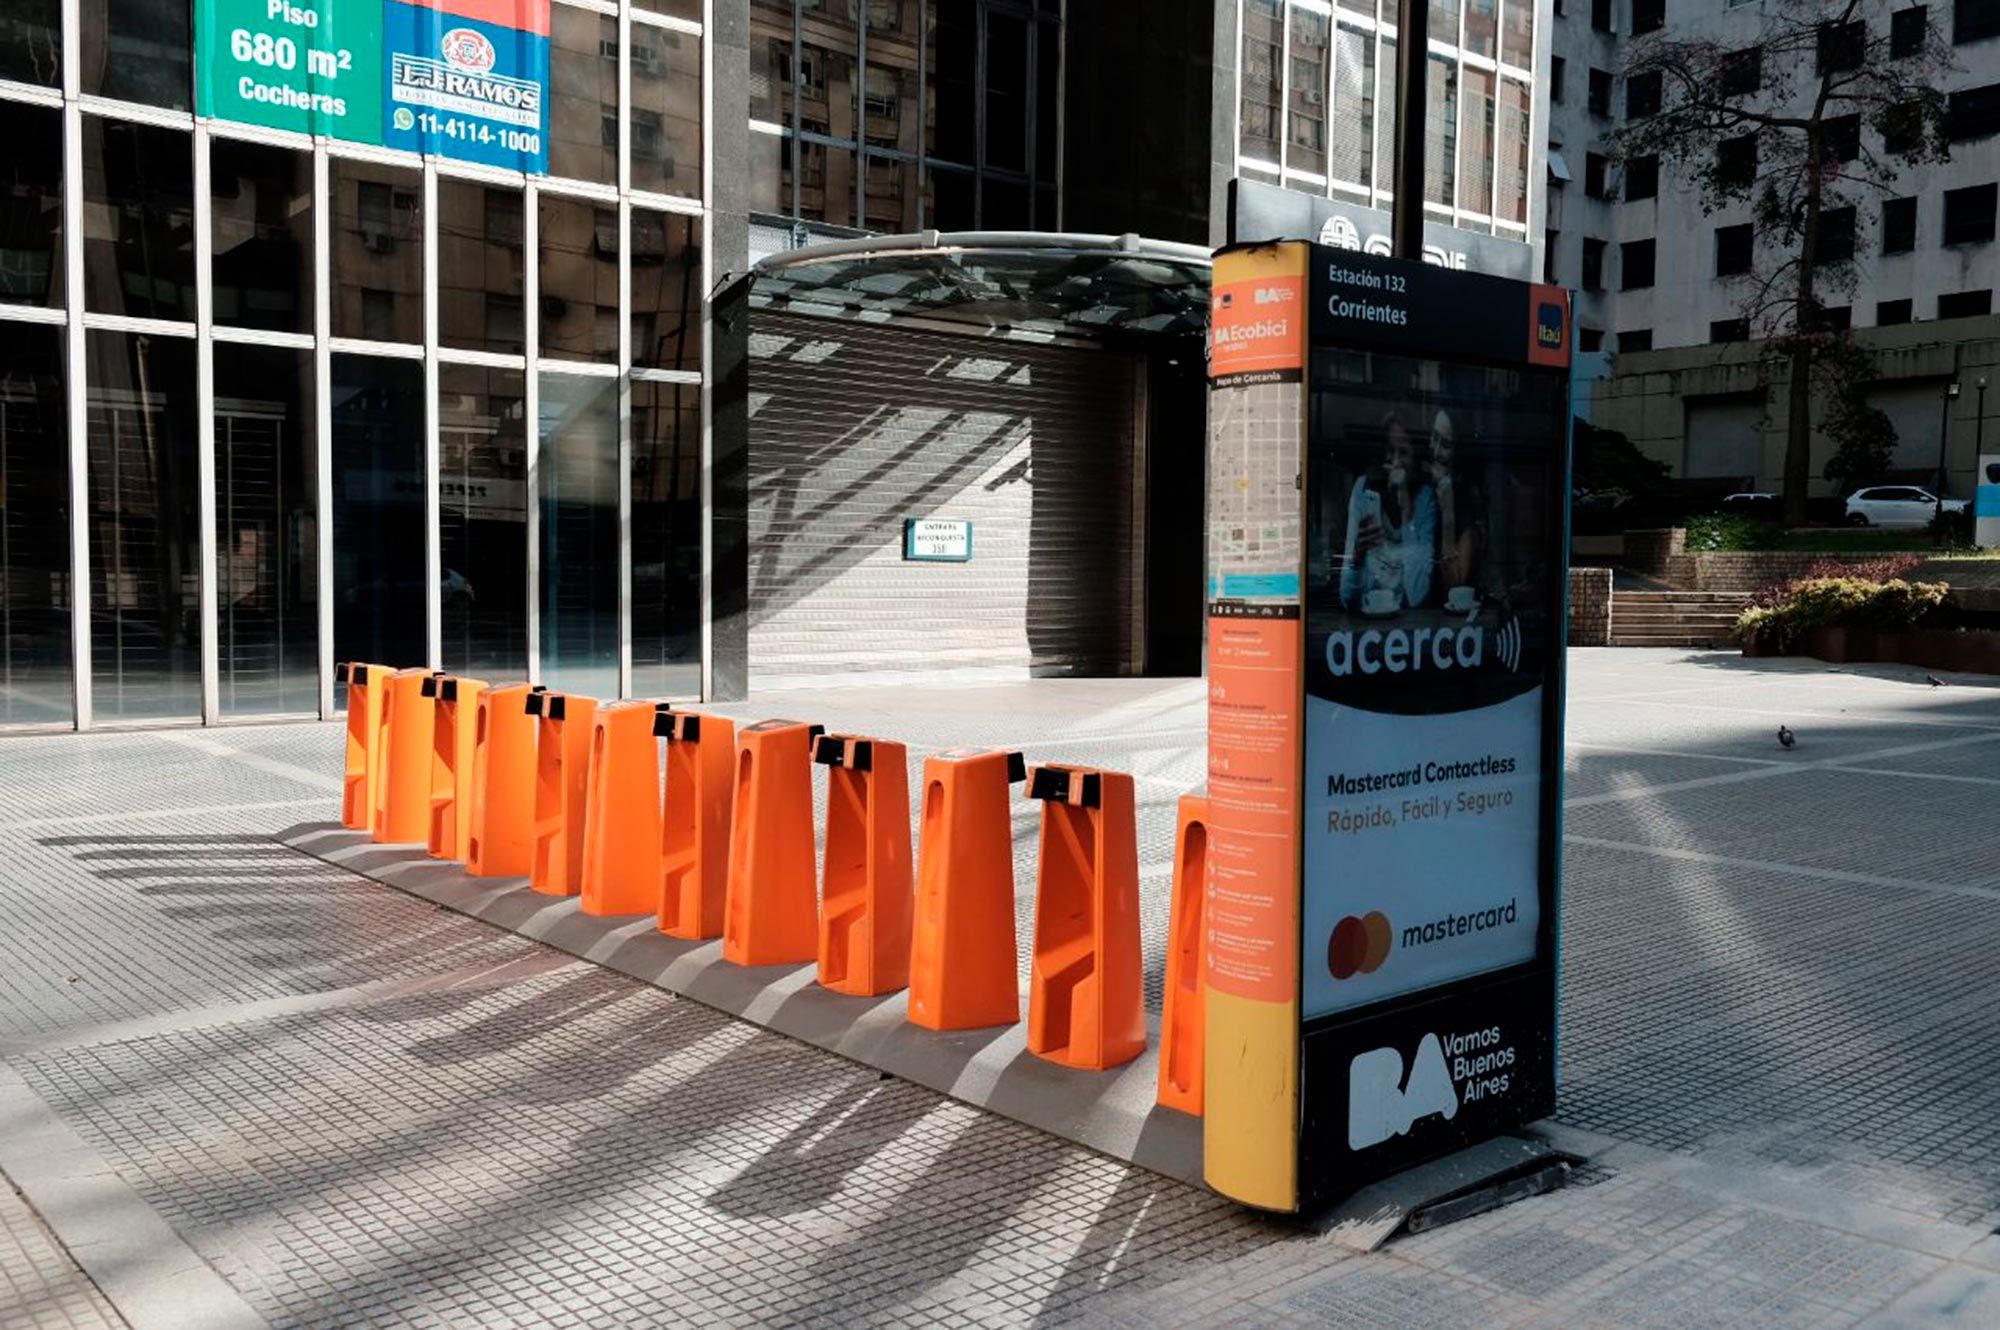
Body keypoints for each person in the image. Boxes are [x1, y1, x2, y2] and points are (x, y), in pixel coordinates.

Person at [1339, 409, 1437, 610]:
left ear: (1415, 457)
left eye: (1403, 453)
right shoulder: (1363, 489)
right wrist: (1357, 556)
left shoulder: (1425, 498)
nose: (1395, 463)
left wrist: (1407, 514)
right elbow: (1347, 596)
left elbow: (1417, 595)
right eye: (1389, 452)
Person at [1428, 409, 1484, 592]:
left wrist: (1448, 513)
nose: (1435, 451)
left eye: (1445, 444)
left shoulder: (1466, 500)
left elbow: (1455, 586)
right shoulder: (1423, 487)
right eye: (1434, 438)